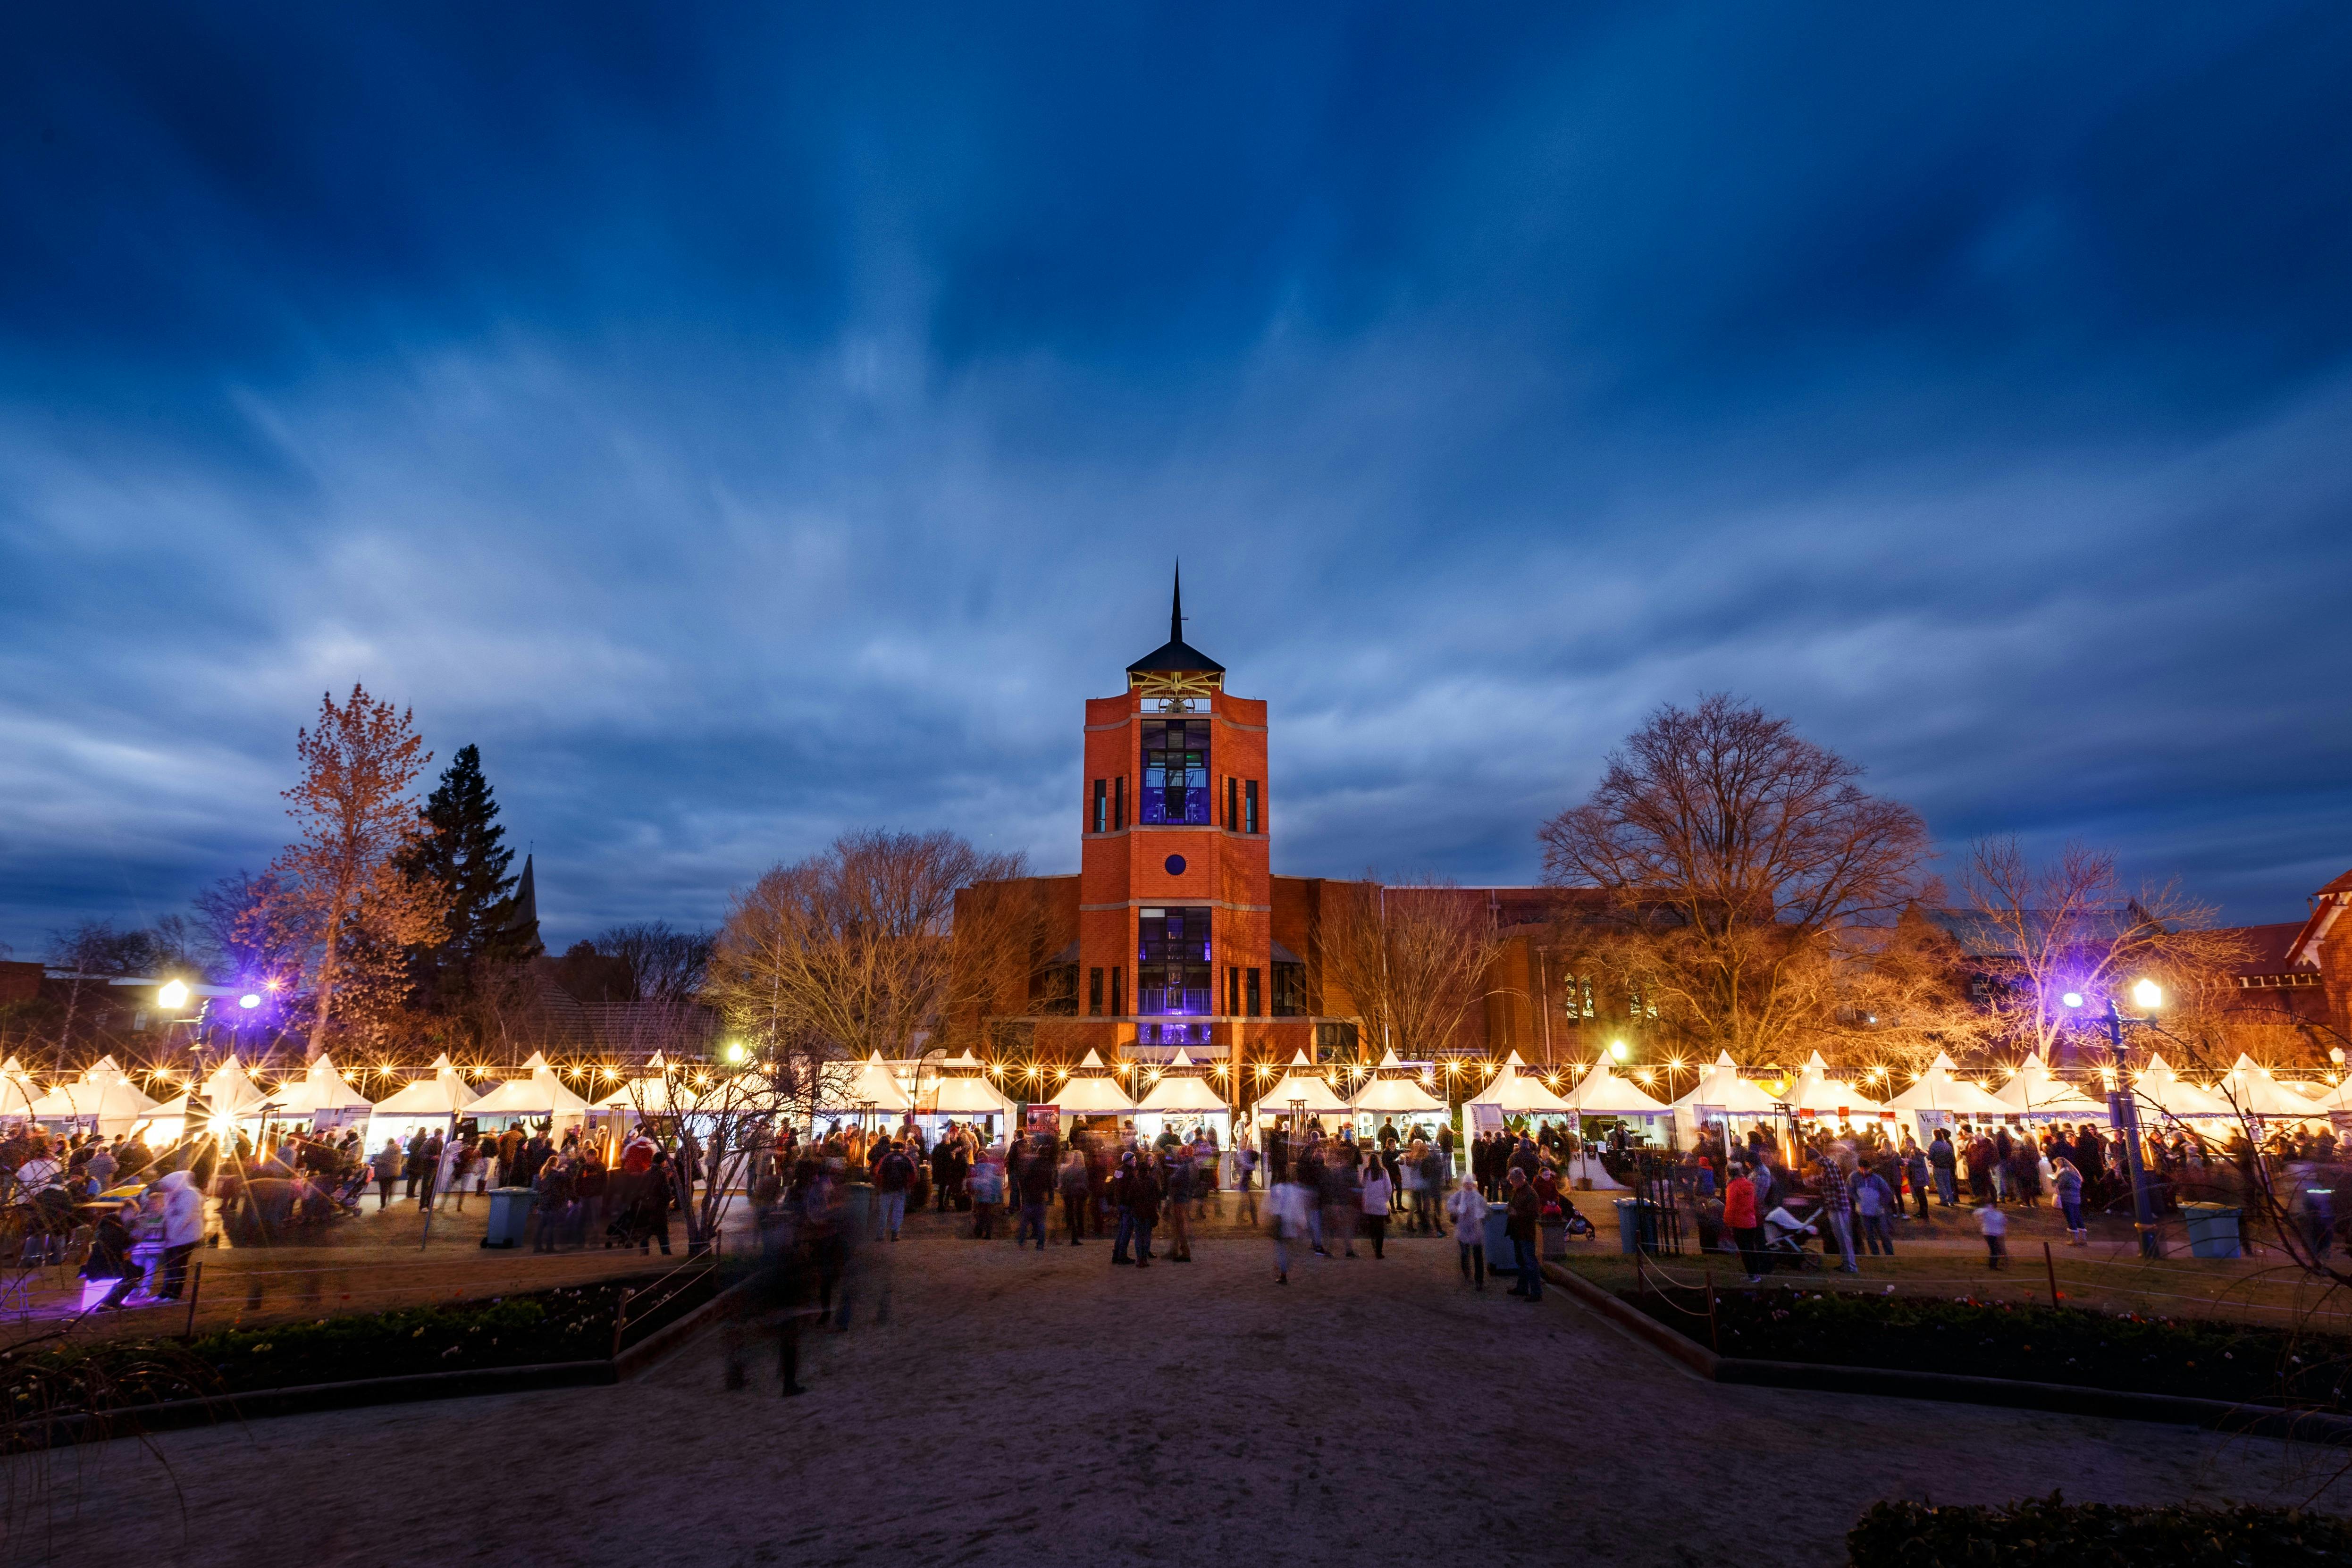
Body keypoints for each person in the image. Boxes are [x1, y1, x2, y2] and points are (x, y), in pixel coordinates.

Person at [154, 1169, 204, 1300]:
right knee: (170, 1264)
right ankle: (165, 1292)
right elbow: (168, 1213)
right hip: (173, 1236)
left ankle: (174, 1294)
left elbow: (185, 1217)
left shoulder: (190, 1195)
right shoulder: (171, 1194)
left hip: (187, 1237)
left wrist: (172, 1233)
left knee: (178, 1265)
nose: (165, 1190)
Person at [1502, 1167, 1542, 1300]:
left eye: (1513, 1181)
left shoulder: (1530, 1194)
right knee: (1522, 1261)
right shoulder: (1518, 1191)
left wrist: (1516, 1213)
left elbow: (1534, 1214)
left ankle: (1536, 1292)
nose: (1512, 1183)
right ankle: (1523, 1288)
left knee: (1529, 1261)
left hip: (1526, 1232)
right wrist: (1510, 1209)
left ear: (1519, 1180)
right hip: (1518, 1231)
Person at [1724, 1163, 1766, 1282]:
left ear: (1729, 1173)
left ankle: (1752, 1275)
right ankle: (1756, 1273)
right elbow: (1755, 1202)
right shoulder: (1749, 1184)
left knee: (1744, 1250)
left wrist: (1728, 1221)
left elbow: (1731, 1206)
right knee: (1751, 1248)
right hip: (1751, 1221)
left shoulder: (1733, 1186)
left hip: (1739, 1222)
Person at [1445, 1173, 1488, 1288]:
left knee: (1477, 1255)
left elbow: (1484, 1206)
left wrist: (1482, 1214)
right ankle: (1467, 1274)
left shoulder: (1477, 1196)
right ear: (1464, 1184)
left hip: (1475, 1229)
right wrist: (1457, 1210)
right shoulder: (1460, 1195)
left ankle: (1479, 1281)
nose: (1469, 1186)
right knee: (1466, 1254)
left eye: (1471, 1183)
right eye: (1467, 1184)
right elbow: (1450, 1204)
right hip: (1464, 1228)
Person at [872, 1140, 914, 1241]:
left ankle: (880, 1235)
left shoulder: (886, 1159)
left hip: (886, 1188)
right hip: (900, 1188)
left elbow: (879, 1173)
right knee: (898, 1212)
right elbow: (913, 1174)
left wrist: (879, 1186)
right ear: (902, 1149)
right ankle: (894, 1235)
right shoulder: (906, 1159)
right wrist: (908, 1186)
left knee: (883, 1212)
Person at [1853, 1160, 1896, 1257]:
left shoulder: (1877, 1179)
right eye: (1862, 1169)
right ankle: (1875, 1255)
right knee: (1869, 1235)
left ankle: (1890, 1255)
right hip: (1864, 1212)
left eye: (1866, 1169)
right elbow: (1849, 1189)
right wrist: (1858, 1200)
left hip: (1877, 1211)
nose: (1864, 1171)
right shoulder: (1854, 1178)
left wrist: (1881, 1203)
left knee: (1883, 1234)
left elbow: (1888, 1193)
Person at [1016, 1143, 1052, 1250]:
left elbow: (1025, 1180)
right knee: (1041, 1222)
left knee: (1025, 1221)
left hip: (1030, 1197)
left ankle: (1022, 1241)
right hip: (1040, 1197)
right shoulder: (1047, 1167)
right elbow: (1049, 1183)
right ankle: (1040, 1244)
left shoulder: (1032, 1167)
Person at [1360, 1157, 1392, 1259]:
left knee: (1372, 1227)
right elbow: (1389, 1188)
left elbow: (1362, 1185)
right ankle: (1379, 1251)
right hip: (1380, 1203)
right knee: (1380, 1229)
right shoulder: (1383, 1172)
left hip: (1369, 1203)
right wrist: (1387, 1199)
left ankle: (1374, 1246)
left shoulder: (1366, 1172)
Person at [1057, 1148, 1090, 1246]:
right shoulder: (1083, 1170)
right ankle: (1079, 1232)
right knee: (1079, 1213)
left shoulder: (1070, 1169)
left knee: (1071, 1213)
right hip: (1079, 1193)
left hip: (1070, 1193)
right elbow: (1085, 1182)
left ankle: (1073, 1231)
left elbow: (1065, 1180)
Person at [2052, 1156, 2087, 1246]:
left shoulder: (2064, 1174)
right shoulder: (2074, 1173)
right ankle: (2083, 1239)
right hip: (2076, 1198)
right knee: (2078, 1216)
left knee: (2070, 1217)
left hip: (2067, 1198)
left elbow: (2059, 1185)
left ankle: (2074, 1240)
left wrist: (2054, 1179)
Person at [1928, 1128, 1958, 1207]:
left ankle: (1944, 1200)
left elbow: (1930, 1156)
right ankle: (1951, 1201)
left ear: (1935, 1136)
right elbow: (1951, 1156)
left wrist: (1929, 1155)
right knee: (1948, 1184)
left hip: (1938, 1167)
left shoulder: (1934, 1144)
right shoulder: (1946, 1144)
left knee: (1940, 1185)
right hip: (1946, 1167)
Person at [1977, 1198, 2008, 1269]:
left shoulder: (1984, 1211)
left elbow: (1978, 1214)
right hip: (1995, 1234)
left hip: (1987, 1233)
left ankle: (1995, 1264)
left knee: (1995, 1249)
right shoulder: (1999, 1213)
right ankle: (1993, 1266)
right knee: (1995, 1250)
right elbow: (2004, 1222)